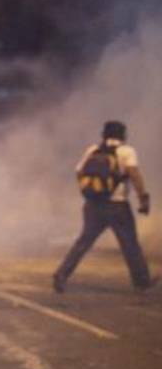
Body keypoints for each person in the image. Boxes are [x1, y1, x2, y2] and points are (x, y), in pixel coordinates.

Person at [53, 120, 153, 293]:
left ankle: (61, 274)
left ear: (104, 135)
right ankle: (142, 281)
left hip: (93, 206)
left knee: (83, 242)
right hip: (118, 206)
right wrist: (143, 198)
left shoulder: (93, 150)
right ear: (123, 135)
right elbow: (134, 175)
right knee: (130, 245)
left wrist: (92, 190)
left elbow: (79, 171)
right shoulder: (127, 151)